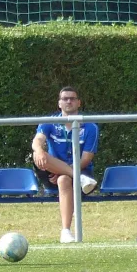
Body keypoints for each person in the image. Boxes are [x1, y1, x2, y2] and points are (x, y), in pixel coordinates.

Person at [32, 86, 99, 243]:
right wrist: (40, 151)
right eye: (65, 98)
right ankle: (77, 178)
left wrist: (66, 172)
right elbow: (37, 141)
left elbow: (86, 158)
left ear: (79, 103)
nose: (68, 101)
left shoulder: (90, 127)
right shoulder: (50, 122)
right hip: (56, 173)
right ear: (59, 103)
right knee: (37, 154)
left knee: (63, 179)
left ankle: (66, 232)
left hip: (83, 172)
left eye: (72, 98)